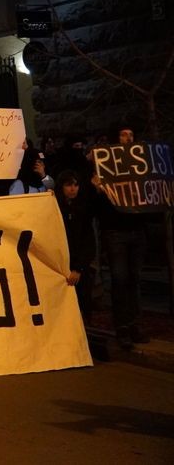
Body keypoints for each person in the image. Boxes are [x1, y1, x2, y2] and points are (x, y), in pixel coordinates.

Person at [93, 122, 151, 349]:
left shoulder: (140, 166)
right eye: (123, 135)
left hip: (137, 230)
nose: (128, 138)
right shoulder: (106, 167)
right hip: (115, 231)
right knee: (120, 280)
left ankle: (135, 324)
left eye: (131, 134)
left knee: (134, 280)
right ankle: (122, 327)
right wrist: (98, 190)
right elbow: (98, 206)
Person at [54, 170, 95, 320]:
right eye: (68, 185)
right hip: (60, 266)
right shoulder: (54, 209)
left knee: (82, 303)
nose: (73, 189)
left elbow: (87, 241)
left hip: (78, 267)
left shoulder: (83, 210)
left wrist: (78, 268)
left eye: (76, 185)